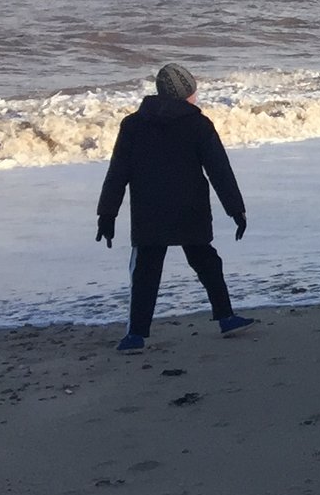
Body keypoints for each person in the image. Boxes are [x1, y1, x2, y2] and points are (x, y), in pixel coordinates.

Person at [95, 62, 256, 353]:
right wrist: (236, 209)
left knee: (144, 271)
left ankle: (135, 336)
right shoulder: (198, 124)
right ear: (186, 93)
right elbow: (219, 170)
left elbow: (118, 172)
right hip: (189, 208)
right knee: (207, 262)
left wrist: (107, 214)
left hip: (148, 211)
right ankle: (226, 317)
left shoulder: (132, 125)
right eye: (193, 91)